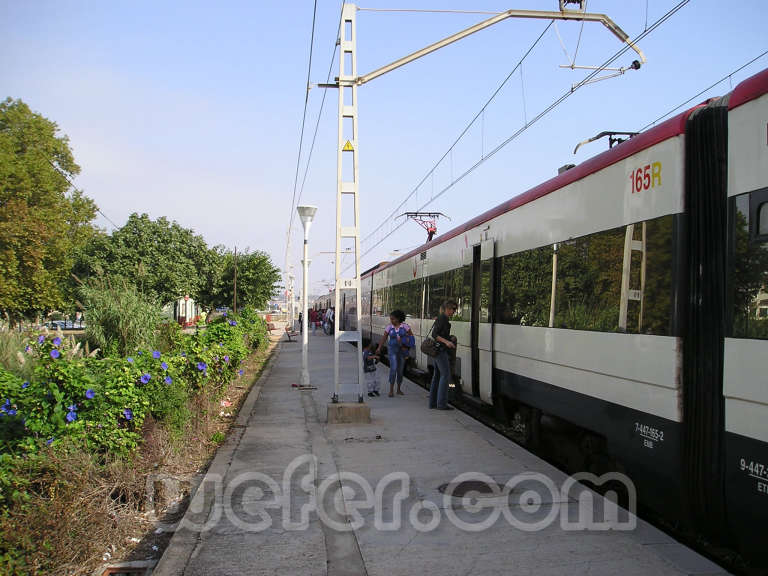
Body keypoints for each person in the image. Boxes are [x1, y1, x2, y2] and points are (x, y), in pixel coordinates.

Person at [375, 309, 413, 397]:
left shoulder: (405, 327)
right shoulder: (389, 327)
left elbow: (411, 337)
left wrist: (407, 345)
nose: (391, 321)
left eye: (393, 319)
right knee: (393, 368)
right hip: (392, 350)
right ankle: (391, 390)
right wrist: (379, 347)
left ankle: (398, 389)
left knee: (400, 370)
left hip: (402, 351)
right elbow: (384, 338)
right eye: (390, 319)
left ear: (398, 319)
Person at [429, 299, 457, 410]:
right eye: (453, 309)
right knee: (446, 375)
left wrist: (450, 338)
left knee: (437, 376)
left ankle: (433, 403)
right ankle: (441, 404)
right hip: (440, 350)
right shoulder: (442, 319)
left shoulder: (443, 318)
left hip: (438, 350)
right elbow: (434, 334)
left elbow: (441, 334)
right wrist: (447, 342)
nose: (454, 311)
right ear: (447, 308)